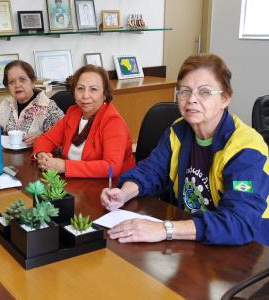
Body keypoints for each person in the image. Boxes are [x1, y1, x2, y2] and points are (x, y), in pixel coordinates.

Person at [101, 54, 269, 245]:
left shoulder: (247, 149)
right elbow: (152, 170)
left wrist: (165, 229)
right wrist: (124, 193)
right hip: (193, 237)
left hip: (249, 249)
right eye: (184, 91)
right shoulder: (178, 130)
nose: (191, 100)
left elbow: (239, 222)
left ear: (225, 98)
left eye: (204, 92)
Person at [32, 64, 135, 178]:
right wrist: (42, 154)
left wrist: (65, 166)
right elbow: (46, 139)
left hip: (112, 188)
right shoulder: (73, 112)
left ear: (105, 94)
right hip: (75, 182)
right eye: (80, 88)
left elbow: (111, 167)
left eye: (93, 89)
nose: (85, 95)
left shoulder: (113, 122)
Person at [0, 60, 64, 146]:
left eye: (22, 79)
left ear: (33, 82)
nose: (17, 85)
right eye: (11, 82)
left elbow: (64, 143)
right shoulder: (6, 104)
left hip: (36, 157)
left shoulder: (49, 108)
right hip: (7, 156)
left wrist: (41, 140)